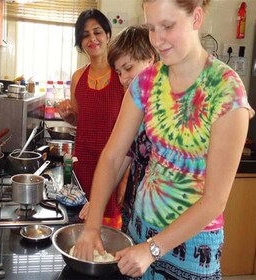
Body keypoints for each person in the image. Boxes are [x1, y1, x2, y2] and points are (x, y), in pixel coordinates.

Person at [72, 0, 254, 279]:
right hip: (139, 231)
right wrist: (92, 227)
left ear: (196, 18)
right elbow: (112, 156)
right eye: (150, 28)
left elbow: (215, 200)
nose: (157, 40)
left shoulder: (227, 90)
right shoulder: (145, 82)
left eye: (167, 26)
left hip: (193, 247)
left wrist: (152, 249)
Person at [79, 25, 158, 234]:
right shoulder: (137, 105)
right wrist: (97, 203)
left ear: (150, 58)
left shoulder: (167, 104)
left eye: (128, 68)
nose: (123, 78)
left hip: (164, 227)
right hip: (136, 217)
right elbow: (118, 158)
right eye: (119, 72)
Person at [57, 8, 124, 229]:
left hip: (114, 166)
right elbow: (79, 120)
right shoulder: (78, 77)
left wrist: (125, 179)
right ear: (80, 42)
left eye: (97, 32)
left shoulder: (121, 76)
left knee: (108, 230)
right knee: (79, 225)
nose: (92, 39)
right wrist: (69, 116)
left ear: (107, 35)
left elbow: (131, 131)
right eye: (85, 35)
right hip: (83, 164)